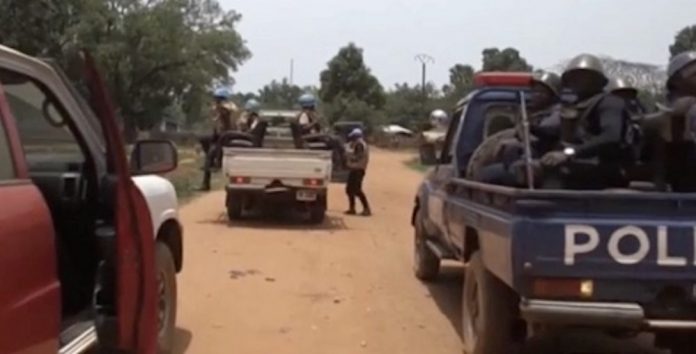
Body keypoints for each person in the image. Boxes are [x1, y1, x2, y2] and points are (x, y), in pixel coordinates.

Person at [539, 53, 637, 190]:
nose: (576, 80)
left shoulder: (610, 102)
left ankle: (549, 208)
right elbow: (555, 132)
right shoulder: (575, 105)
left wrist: (569, 153)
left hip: (605, 167)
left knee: (547, 170)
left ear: (597, 79)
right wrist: (528, 128)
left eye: (583, 75)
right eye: (573, 76)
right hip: (580, 163)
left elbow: (611, 136)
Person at [472, 71, 562, 186]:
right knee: (486, 172)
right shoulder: (534, 112)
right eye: (535, 91)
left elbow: (545, 131)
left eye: (542, 92)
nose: (537, 95)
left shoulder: (558, 112)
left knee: (488, 174)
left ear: (553, 95)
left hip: (543, 163)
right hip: (525, 161)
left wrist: (527, 128)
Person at [198, 87, 240, 191]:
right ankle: (212, 160)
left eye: (218, 99)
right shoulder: (219, 108)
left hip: (227, 136)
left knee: (211, 154)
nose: (216, 101)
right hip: (218, 135)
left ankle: (214, 164)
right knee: (203, 139)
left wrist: (220, 108)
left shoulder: (228, 108)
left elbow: (229, 111)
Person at [344, 128, 371, 216]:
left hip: (358, 169)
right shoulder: (359, 144)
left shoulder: (359, 144)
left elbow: (357, 156)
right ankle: (352, 208)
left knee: (357, 190)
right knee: (349, 189)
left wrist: (348, 154)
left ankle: (366, 209)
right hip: (355, 169)